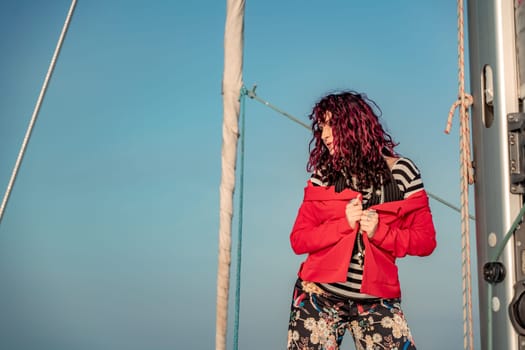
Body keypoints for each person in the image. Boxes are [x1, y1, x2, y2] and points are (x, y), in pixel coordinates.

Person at [286, 91, 436, 350]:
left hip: (378, 299)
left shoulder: (403, 173)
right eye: (321, 127)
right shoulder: (323, 176)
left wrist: (382, 232)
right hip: (318, 296)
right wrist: (343, 223)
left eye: (331, 124)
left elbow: (426, 241)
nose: (324, 135)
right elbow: (299, 239)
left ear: (355, 125)